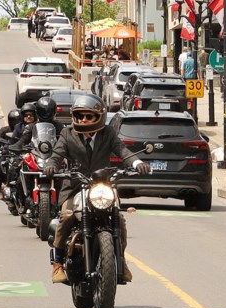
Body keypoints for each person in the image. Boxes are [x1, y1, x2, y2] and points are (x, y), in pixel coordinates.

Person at [43, 94, 149, 284]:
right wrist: (51, 165)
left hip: (101, 187)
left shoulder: (107, 133)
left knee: (119, 218)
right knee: (67, 216)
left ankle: (120, 260)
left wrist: (137, 162)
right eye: (80, 116)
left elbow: (122, 150)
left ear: (99, 116)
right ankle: (57, 263)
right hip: (74, 187)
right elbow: (57, 154)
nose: (83, 120)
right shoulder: (67, 134)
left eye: (88, 116)